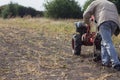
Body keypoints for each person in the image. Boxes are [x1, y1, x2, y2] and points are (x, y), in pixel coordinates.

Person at [83, 0, 120, 71]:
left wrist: (87, 23)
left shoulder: (96, 2)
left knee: (107, 42)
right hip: (115, 23)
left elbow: (86, 14)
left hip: (104, 21)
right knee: (104, 42)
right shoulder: (111, 3)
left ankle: (116, 64)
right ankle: (105, 62)